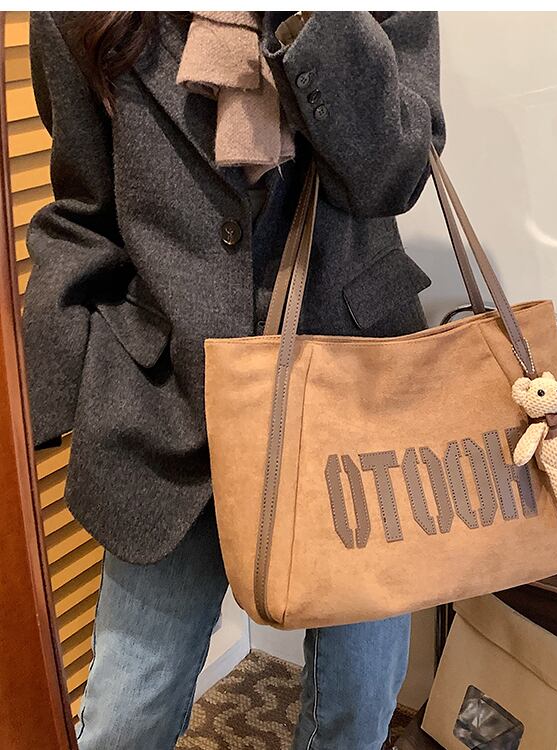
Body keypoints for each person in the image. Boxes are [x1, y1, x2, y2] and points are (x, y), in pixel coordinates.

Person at [24, 10, 444, 750]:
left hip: (354, 397)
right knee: (125, 717)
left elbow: (399, 170)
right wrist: (47, 398)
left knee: (355, 711)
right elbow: (84, 212)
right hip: (168, 399)